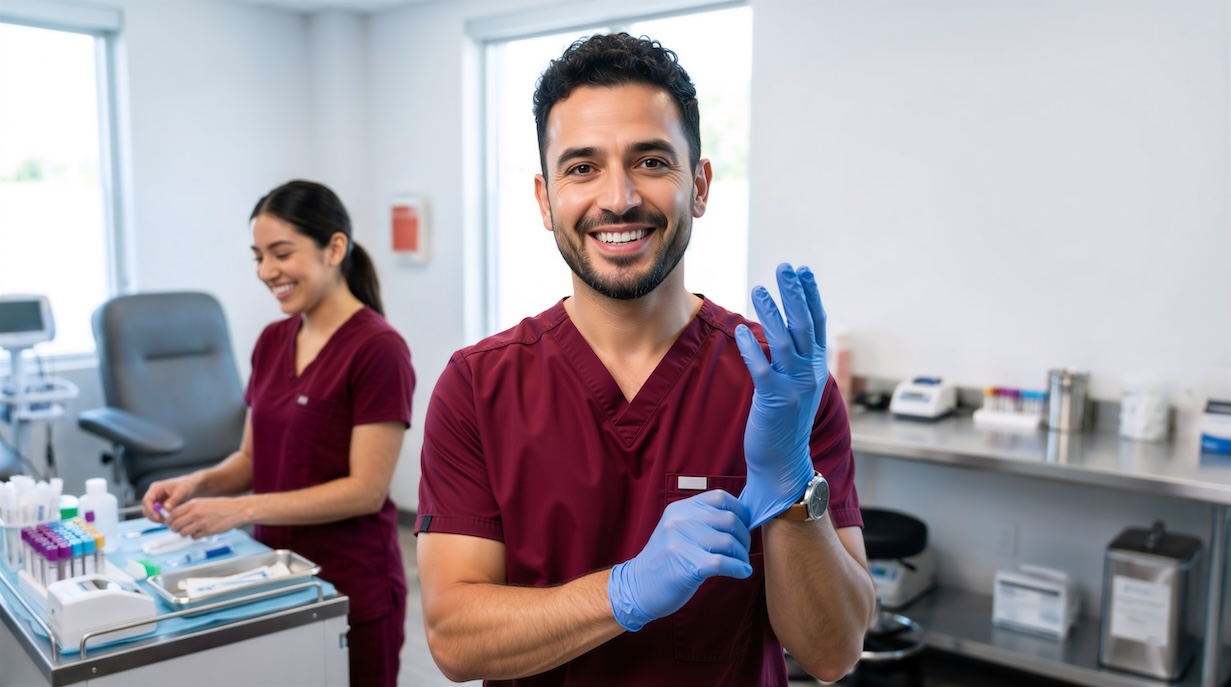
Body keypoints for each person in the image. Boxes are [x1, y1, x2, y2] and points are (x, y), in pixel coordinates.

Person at [415, 33, 875, 686]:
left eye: (651, 161)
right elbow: (455, 640)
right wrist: (624, 590)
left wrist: (795, 491)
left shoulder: (779, 384)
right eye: (581, 168)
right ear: (545, 201)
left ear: (700, 184)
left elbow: (832, 653)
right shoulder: (476, 388)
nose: (619, 197)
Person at [142, 180, 415, 687]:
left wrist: (240, 509)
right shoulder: (272, 341)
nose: (267, 271)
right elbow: (252, 458)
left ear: (334, 248)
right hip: (273, 574)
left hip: (349, 586)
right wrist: (196, 484)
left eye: (281, 253)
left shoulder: (378, 349)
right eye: (258, 256)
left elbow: (366, 491)